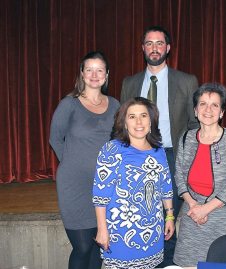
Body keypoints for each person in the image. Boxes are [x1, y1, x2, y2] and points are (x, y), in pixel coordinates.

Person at [120, 25, 199, 266]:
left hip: (171, 156)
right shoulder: (129, 83)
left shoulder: (186, 81)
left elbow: (194, 123)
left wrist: (187, 158)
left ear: (168, 48)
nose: (155, 48)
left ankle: (166, 264)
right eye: (149, 43)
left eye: (159, 43)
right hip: (137, 156)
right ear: (142, 48)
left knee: (169, 215)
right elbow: (123, 123)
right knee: (141, 213)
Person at [49, 51, 120, 269]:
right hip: (75, 187)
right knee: (82, 247)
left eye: (100, 69)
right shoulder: (69, 104)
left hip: (106, 187)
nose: (94, 74)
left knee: (99, 246)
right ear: (82, 73)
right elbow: (55, 138)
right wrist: (72, 164)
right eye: (89, 69)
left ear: (107, 74)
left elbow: (119, 142)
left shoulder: (116, 105)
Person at [93, 97, 175, 269]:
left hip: (153, 231)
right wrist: (102, 229)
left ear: (151, 121)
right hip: (121, 233)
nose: (139, 121)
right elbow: (101, 195)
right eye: (132, 116)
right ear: (124, 123)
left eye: (143, 115)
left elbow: (165, 187)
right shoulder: (112, 150)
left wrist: (169, 216)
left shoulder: (159, 150)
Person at [173, 82, 226, 266]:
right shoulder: (186, 137)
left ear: (222, 112)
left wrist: (205, 209)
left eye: (215, 105)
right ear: (195, 110)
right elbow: (179, 176)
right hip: (191, 215)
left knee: (219, 264)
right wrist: (193, 206)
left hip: (222, 217)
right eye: (203, 104)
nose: (208, 109)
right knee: (187, 264)